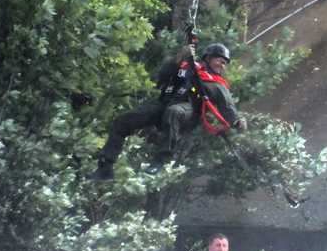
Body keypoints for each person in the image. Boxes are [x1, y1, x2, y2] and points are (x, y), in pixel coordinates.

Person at [88, 43, 247, 180]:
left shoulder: (216, 83)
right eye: (221, 61)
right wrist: (180, 57)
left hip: (189, 112)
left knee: (173, 111)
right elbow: (161, 76)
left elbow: (228, 106)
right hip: (163, 105)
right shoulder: (185, 67)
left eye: (226, 63)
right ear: (209, 57)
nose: (223, 66)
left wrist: (236, 121)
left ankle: (161, 159)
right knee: (123, 121)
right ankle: (105, 167)